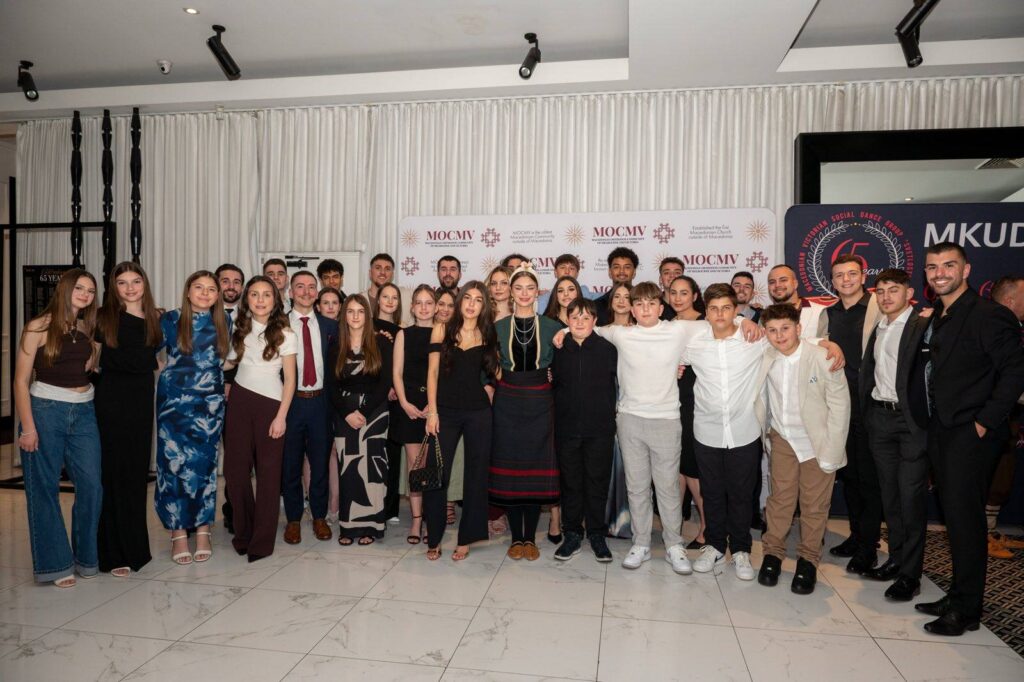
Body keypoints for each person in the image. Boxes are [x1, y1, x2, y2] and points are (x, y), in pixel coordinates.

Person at [554, 282, 761, 575]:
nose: (645, 309)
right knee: (637, 487)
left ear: (661, 308)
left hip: (666, 420)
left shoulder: (678, 330)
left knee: (667, 488)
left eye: (651, 303)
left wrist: (744, 321)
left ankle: (674, 544)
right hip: (630, 420)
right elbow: (587, 328)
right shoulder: (621, 333)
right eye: (639, 304)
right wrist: (563, 331)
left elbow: (717, 320)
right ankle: (640, 543)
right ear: (632, 309)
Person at [915, 243, 1024, 636]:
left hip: (971, 433)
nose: (940, 273)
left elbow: (1015, 372)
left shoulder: (989, 314)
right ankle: (958, 596)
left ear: (966, 270)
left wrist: (984, 422)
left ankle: (966, 611)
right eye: (932, 267)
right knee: (955, 519)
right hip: (942, 429)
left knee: (966, 522)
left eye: (949, 265)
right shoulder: (940, 314)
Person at [755, 304, 850, 595]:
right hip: (782, 438)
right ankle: (772, 554)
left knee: (814, 505)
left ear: (798, 328)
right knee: (780, 500)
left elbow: (840, 406)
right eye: (772, 330)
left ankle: (808, 560)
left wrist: (833, 450)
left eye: (785, 328)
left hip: (816, 441)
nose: (779, 335)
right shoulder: (766, 355)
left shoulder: (822, 356)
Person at [14, 269, 101, 587]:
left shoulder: (84, 327)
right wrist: (28, 428)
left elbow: (90, 362)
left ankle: (86, 558)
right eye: (79, 288)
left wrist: (96, 353)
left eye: (90, 290)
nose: (85, 294)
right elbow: (20, 381)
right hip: (46, 410)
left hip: (84, 411)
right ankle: (55, 565)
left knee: (92, 486)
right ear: (64, 289)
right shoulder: (38, 326)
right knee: (44, 487)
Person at [858, 269, 930, 601]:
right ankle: (897, 560)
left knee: (910, 498)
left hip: (910, 422)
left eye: (894, 290)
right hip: (880, 419)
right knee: (890, 496)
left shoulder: (922, 325)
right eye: (881, 291)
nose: (886, 297)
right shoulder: (880, 326)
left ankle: (910, 576)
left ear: (909, 293)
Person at [156, 271, 230, 565]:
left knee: (204, 467)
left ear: (217, 295)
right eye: (198, 287)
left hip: (209, 406)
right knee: (173, 466)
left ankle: (202, 530)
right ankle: (177, 534)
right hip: (173, 405)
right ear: (188, 291)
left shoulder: (225, 321)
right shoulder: (170, 319)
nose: (204, 293)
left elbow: (225, 359)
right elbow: (151, 352)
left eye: (211, 289)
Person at [491, 266, 563, 560]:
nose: (523, 293)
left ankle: (530, 538)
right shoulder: (497, 327)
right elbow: (486, 365)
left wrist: (553, 376)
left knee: (534, 469)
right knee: (512, 470)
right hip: (507, 400)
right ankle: (516, 538)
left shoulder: (552, 327)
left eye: (529, 288)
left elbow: (564, 364)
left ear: (537, 292)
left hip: (540, 401)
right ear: (510, 292)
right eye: (518, 287)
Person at [94, 262, 161, 577]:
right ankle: (111, 553)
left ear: (144, 284)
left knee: (135, 473)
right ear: (114, 287)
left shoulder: (155, 318)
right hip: (111, 400)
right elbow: (93, 362)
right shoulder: (103, 317)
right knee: (112, 473)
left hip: (141, 400)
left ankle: (135, 549)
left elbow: (153, 361)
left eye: (136, 281)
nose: (130, 288)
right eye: (122, 282)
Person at [224, 276, 297, 562]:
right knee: (235, 473)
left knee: (268, 476)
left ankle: (262, 541)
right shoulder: (238, 329)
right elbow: (228, 362)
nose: (260, 300)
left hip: (271, 405)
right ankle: (243, 533)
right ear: (247, 299)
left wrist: (281, 417)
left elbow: (290, 379)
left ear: (275, 300)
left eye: (267, 294)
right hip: (239, 402)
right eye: (254, 294)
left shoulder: (286, 334)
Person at [425, 282, 499, 561]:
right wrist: (432, 412)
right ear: (459, 302)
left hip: (479, 412)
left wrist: (493, 382)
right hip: (445, 411)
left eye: (478, 300)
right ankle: (434, 537)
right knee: (437, 473)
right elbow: (432, 373)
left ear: (484, 306)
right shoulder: (442, 329)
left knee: (476, 475)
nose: (471, 303)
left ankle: (466, 538)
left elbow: (497, 372)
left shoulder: (488, 333)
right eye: (467, 297)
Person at [825, 254, 884, 575]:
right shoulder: (828, 314)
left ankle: (868, 547)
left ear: (863, 277)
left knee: (868, 480)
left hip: (870, 407)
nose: (845, 280)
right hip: (839, 408)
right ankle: (856, 536)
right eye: (839, 275)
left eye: (851, 274)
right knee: (848, 476)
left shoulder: (878, 308)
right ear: (832, 281)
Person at [550, 298, 618, 561]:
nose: (580, 322)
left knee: (597, 483)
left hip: (599, 430)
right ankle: (572, 534)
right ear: (567, 320)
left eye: (586, 317)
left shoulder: (608, 349)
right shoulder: (557, 348)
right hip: (566, 428)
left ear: (595, 321)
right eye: (575, 317)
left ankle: (597, 534)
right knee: (570, 483)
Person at [327, 294, 394, 545]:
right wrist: (347, 413)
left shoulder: (381, 343)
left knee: (373, 469)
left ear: (368, 315)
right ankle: (348, 527)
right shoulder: (336, 345)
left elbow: (384, 383)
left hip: (374, 413)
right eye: (350, 311)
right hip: (344, 414)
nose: (355, 316)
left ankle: (371, 526)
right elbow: (330, 385)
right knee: (349, 469)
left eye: (360, 311)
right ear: (344, 315)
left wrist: (363, 412)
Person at [281, 271, 339, 545]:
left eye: (311, 287)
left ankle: (319, 516)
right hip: (290, 403)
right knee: (290, 463)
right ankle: (293, 519)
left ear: (317, 292)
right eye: (300, 287)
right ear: (290, 292)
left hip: (320, 403)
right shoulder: (278, 324)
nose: (306, 291)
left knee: (320, 464)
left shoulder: (331, 326)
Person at [390, 284, 436, 544]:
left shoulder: (444, 334)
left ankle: (430, 517)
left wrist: (434, 405)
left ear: (436, 306)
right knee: (414, 464)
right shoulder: (403, 334)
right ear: (412, 307)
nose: (424, 307)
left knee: (430, 464)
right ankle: (417, 519)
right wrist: (405, 403)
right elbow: (396, 372)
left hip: (434, 407)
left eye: (429, 302)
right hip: (408, 406)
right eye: (419, 302)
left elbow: (445, 373)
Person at [667, 275, 707, 547]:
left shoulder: (705, 323)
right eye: (673, 292)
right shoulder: (667, 324)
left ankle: (707, 527)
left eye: (684, 293)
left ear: (694, 296)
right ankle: (674, 528)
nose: (678, 298)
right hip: (670, 401)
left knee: (692, 468)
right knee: (676, 469)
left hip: (695, 401)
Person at [987, 275, 1024, 558]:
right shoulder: (994, 327)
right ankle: (983, 535)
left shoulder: (1011, 327)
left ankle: (989, 531)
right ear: (1010, 300)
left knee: (1002, 477)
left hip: (1007, 416)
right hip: (991, 416)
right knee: (991, 478)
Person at [216, 263, 244, 532]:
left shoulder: (249, 317)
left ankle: (234, 512)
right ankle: (193, 519)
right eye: (225, 281)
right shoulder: (202, 315)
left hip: (239, 397)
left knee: (236, 459)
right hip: (203, 397)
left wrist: (232, 383)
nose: (231, 286)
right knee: (199, 458)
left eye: (236, 281)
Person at [314, 286, 343, 523]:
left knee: (334, 450)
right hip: (313, 397)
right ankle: (311, 501)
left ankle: (335, 501)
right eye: (326, 302)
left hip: (337, 397)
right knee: (310, 453)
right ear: (318, 306)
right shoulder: (311, 328)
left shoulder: (346, 330)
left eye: (335, 302)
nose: (331, 307)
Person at [767, 264, 828, 337]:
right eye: (772, 282)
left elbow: (824, 342)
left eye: (783, 280)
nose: (777, 285)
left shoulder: (819, 312)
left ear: (795, 284)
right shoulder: (764, 316)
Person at [594, 247, 638, 326]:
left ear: (634, 272)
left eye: (627, 267)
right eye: (616, 267)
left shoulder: (643, 303)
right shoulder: (596, 306)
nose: (622, 271)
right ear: (609, 272)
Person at [365, 253, 412, 325]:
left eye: (387, 269)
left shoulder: (407, 297)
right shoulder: (360, 300)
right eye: (378, 268)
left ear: (392, 275)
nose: (382, 272)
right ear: (370, 273)